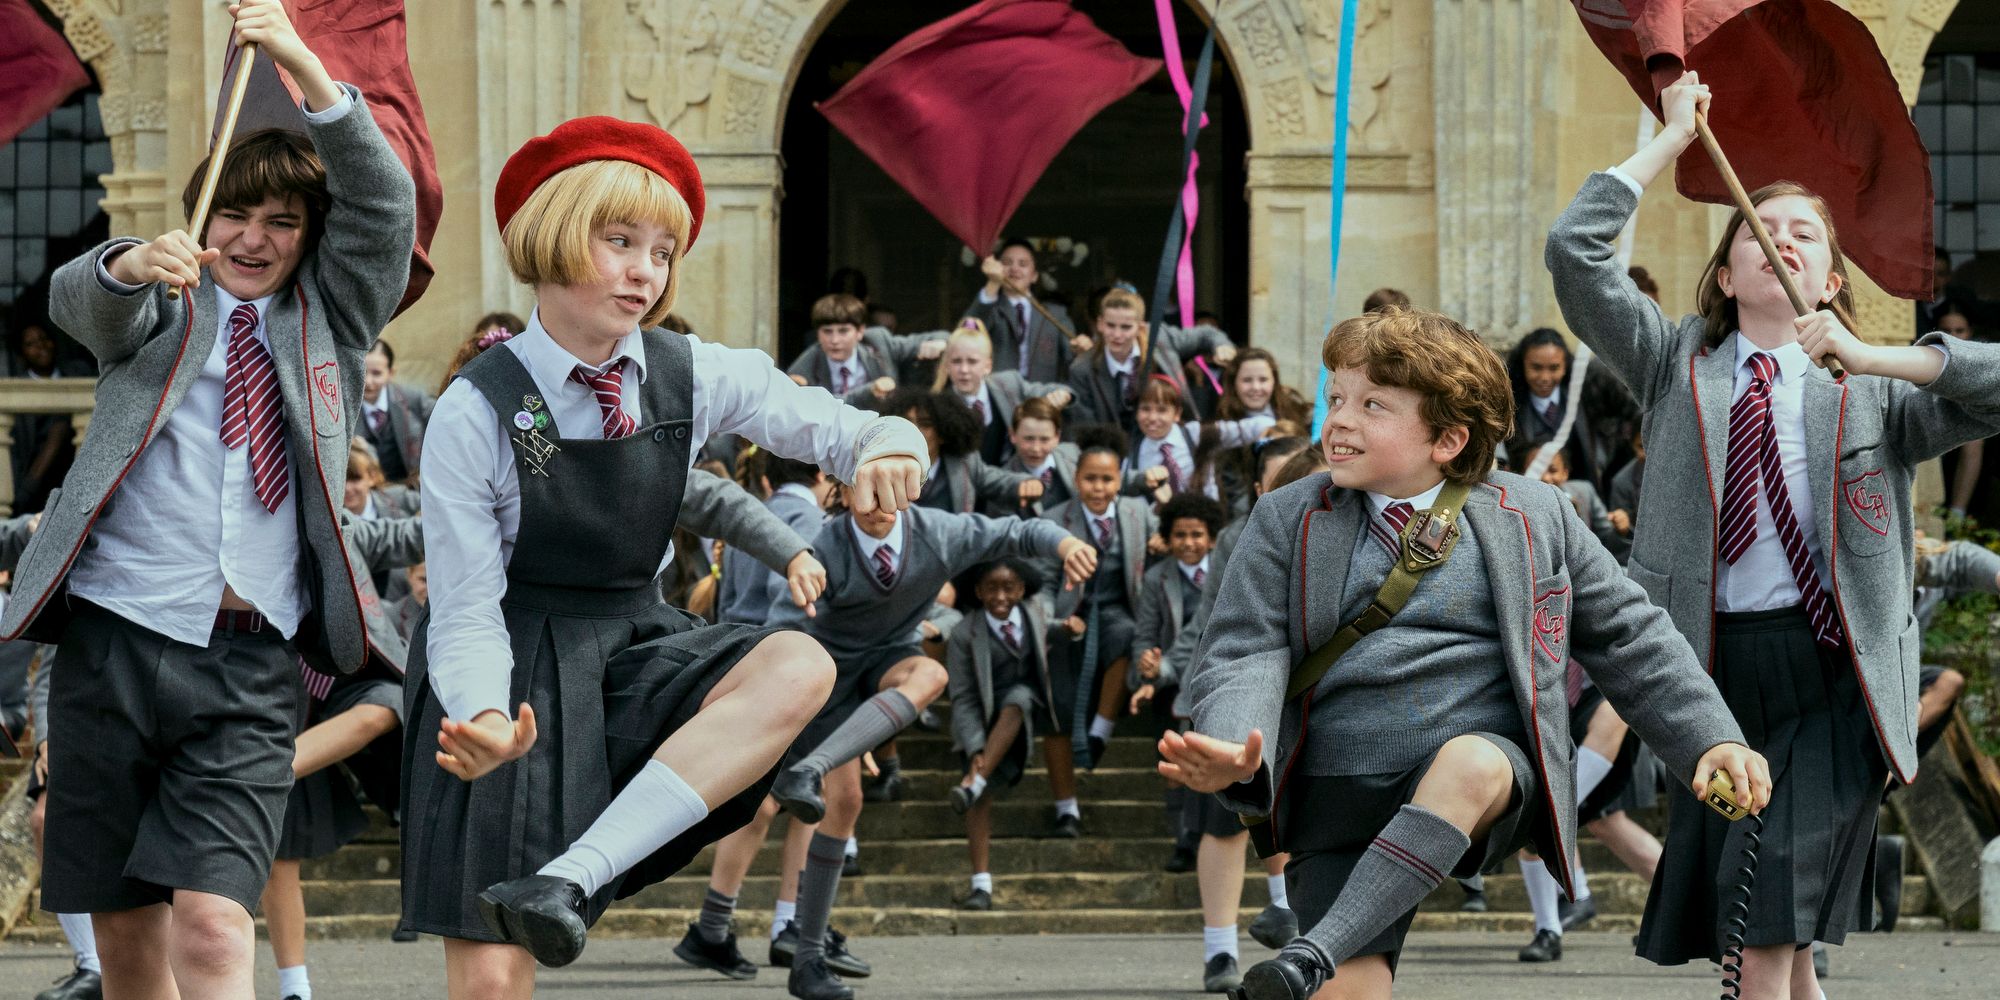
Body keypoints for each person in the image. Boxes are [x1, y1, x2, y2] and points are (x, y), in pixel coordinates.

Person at [398, 114, 928, 998]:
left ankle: (572, 876)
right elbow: (463, 605)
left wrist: (888, 442)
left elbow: (838, 424)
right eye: (619, 242)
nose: (645, 270)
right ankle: (542, 873)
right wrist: (484, 716)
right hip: (505, 671)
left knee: (798, 661)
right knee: (492, 979)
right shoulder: (476, 407)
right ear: (553, 234)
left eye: (662, 249)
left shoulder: (693, 370)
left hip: (634, 651)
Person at [1546, 71, 2000, 999]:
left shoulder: (1873, 390)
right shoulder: (1676, 363)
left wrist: (1877, 354)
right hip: (1708, 669)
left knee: (1769, 912)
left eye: (1804, 235)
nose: (1778, 239)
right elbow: (1575, 254)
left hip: (1836, 671)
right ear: (1725, 272)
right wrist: (1670, 142)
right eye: (1762, 230)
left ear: (1832, 278)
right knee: (1765, 917)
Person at [1, 4, 418, 997]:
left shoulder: (333, 316)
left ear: (309, 236)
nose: (252, 237)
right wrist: (127, 260)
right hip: (113, 637)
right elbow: (76, 301)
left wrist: (300, 63)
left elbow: (384, 203)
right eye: (233, 214)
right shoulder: (158, 304)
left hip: (250, 657)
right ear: (200, 219)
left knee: (217, 928)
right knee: (130, 938)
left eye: (281, 221)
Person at [1168, 307, 1765, 1000]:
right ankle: (1326, 963)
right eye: (1336, 399)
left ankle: (1310, 954)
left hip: (1480, 772)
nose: (1339, 420)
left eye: (1373, 406)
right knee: (1350, 995)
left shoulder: (1534, 514)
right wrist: (1233, 744)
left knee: (1473, 761)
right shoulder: (1286, 517)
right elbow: (1246, 649)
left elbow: (1634, 636)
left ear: (1449, 438)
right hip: (1334, 790)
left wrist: (1711, 738)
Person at [765, 492, 1094, 1000]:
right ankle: (807, 959)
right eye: (864, 490)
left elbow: (1015, 532)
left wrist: (1066, 541)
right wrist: (806, 718)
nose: (877, 503)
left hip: (889, 662)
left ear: (910, 488)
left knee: (932, 672)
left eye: (890, 490)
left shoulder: (939, 531)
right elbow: (783, 630)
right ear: (845, 491)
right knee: (846, 802)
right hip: (824, 672)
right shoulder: (821, 544)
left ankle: (813, 768)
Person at [263, 514, 422, 1000]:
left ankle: (263, 773)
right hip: (274, 693)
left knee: (384, 709)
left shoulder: (340, 521)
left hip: (352, 681)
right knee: (280, 855)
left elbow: (408, 531)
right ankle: (296, 987)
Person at [943, 557, 1068, 911]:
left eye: (1008, 587)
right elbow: (963, 696)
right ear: (978, 592)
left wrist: (1072, 629)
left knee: (1019, 698)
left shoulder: (1035, 616)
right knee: (977, 800)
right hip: (980, 717)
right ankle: (981, 884)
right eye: (991, 588)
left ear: (1022, 590)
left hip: (1020, 714)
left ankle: (976, 781)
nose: (1000, 596)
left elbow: (1053, 627)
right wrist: (974, 750)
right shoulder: (964, 633)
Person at [1043, 426, 1158, 769]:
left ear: (1120, 480)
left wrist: (1161, 543)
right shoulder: (1054, 519)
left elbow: (1159, 550)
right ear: (1076, 479)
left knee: (1126, 635)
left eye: (1107, 479)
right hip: (1069, 613)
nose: (1098, 487)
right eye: (1090, 478)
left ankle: (1100, 730)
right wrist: (1054, 621)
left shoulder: (1138, 512)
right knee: (1059, 701)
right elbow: (1046, 582)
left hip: (1116, 610)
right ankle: (1067, 808)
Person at [1067, 288, 1236, 439]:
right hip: (1116, 449)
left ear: (1141, 327)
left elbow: (1206, 334)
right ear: (1100, 324)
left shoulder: (1159, 338)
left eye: (1126, 327)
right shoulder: (1082, 369)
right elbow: (1087, 430)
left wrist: (1222, 346)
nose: (1117, 334)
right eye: (1111, 326)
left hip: (1172, 437)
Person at [930, 319, 1073, 464]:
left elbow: (1050, 390)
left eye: (972, 362)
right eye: (956, 361)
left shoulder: (1008, 383)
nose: (964, 370)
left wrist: (1063, 395)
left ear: (988, 366)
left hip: (1008, 477)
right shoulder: (939, 405)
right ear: (947, 365)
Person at [1132, 377, 1275, 516]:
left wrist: (1274, 430)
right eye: (1145, 409)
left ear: (1177, 413)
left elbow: (1247, 429)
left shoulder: (1195, 434)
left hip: (1206, 520)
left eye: (1162, 410)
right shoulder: (1134, 453)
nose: (1152, 418)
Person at [786, 293, 944, 401]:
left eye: (843, 331)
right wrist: (870, 391)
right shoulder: (805, 366)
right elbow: (824, 407)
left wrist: (939, 343)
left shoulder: (878, 341)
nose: (834, 340)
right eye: (827, 332)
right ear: (817, 334)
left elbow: (941, 337)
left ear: (860, 331)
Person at [964, 239, 1078, 382]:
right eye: (1007, 263)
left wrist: (1082, 352)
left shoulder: (1055, 314)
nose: (1014, 269)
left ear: (1035, 275)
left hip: (1041, 399)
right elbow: (965, 335)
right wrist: (993, 283)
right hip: (997, 397)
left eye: (1023, 264)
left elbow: (1074, 362)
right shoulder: (989, 307)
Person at [358, 337, 433, 483]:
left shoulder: (413, 399)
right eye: (363, 372)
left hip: (411, 490)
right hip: (367, 495)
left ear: (390, 373)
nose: (368, 381)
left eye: (376, 373)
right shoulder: (343, 408)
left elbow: (445, 422)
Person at [1002, 397, 1079, 517]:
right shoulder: (1003, 485)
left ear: (1057, 436)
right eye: (1028, 439)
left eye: (1044, 440)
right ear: (1013, 435)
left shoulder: (1074, 455)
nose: (1036, 448)